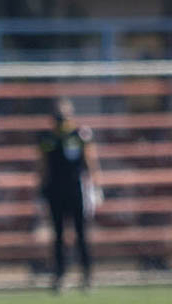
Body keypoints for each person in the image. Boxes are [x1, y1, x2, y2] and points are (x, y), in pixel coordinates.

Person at [38, 98, 101, 293]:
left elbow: (91, 161)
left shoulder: (80, 135)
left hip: (76, 189)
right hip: (55, 190)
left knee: (81, 234)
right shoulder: (47, 138)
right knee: (57, 235)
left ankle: (87, 275)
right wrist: (40, 190)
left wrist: (95, 187)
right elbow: (42, 166)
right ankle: (60, 275)